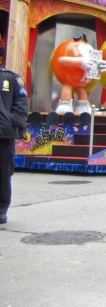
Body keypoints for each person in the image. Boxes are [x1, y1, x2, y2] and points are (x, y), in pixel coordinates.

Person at [0, 46, 29, 224]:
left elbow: (21, 104)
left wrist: (13, 122)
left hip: (3, 134)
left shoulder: (12, 79)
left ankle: (1, 208)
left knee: (3, 172)